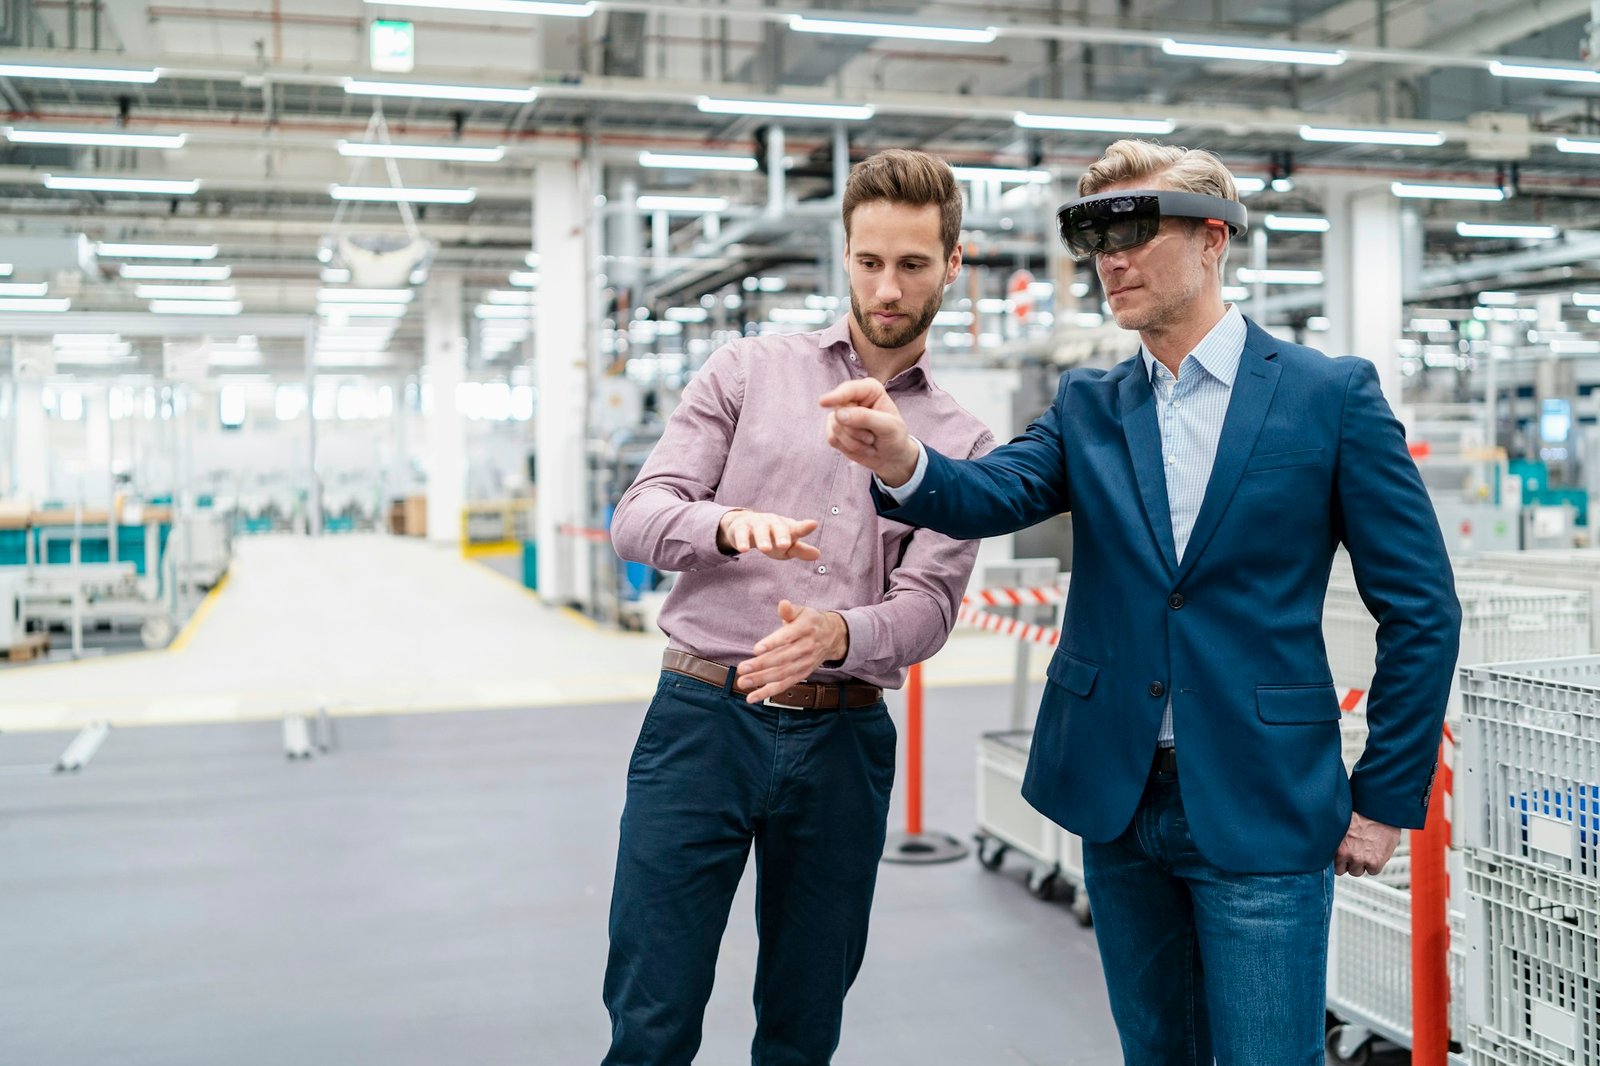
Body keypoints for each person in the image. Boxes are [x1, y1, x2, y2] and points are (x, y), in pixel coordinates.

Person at [820, 139, 1461, 1066]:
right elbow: (988, 492)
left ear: (1212, 239)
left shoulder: (1331, 399)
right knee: (1155, 1053)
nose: (1110, 262)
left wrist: (1387, 799)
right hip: (1118, 799)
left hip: (1262, 802)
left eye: (1132, 233)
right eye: (1095, 241)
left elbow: (1424, 609)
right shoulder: (1090, 405)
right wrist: (901, 461)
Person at [601, 148, 994, 1065]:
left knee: (803, 1024)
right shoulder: (747, 371)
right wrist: (730, 525)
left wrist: (838, 633)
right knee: (651, 1015)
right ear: (843, 253)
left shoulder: (961, 443)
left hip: (843, 739)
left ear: (953, 264)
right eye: (868, 261)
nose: (887, 288)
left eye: (912, 264)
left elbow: (929, 608)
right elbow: (637, 516)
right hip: (703, 719)